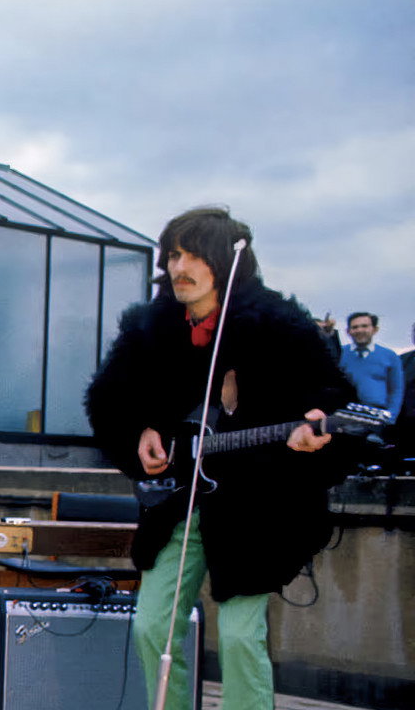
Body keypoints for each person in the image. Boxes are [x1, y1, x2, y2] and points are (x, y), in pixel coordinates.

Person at [85, 207, 354, 710]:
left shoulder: (278, 325)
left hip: (256, 508)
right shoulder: (149, 328)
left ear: (226, 263)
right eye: (173, 255)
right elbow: (110, 400)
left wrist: (315, 428)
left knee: (239, 636)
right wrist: (140, 430)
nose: (178, 267)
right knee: (151, 626)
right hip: (179, 503)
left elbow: (332, 395)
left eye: (193, 255)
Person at [338, 312, 403, 418]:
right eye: (355, 327)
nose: (359, 330)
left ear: (375, 329)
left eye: (364, 326)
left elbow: (396, 389)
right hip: (344, 414)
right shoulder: (339, 354)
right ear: (348, 331)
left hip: (378, 415)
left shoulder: (390, 356)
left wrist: (392, 415)